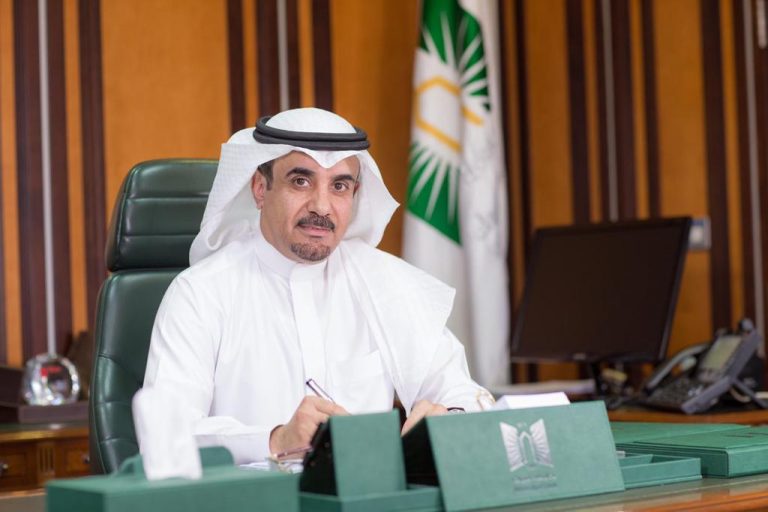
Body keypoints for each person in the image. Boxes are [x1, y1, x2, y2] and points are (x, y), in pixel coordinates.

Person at [143, 107, 488, 464]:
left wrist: (450, 417)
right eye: (301, 181)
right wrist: (276, 439)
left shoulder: (384, 282)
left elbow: (467, 395)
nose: (322, 206)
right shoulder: (200, 294)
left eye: (339, 186)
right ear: (260, 189)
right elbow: (166, 436)